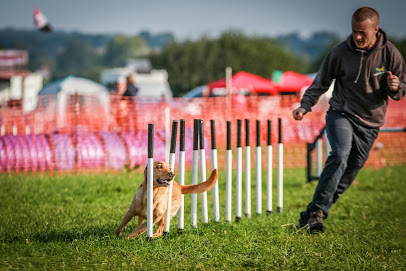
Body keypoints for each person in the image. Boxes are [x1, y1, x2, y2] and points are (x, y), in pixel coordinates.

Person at [292, 7, 405, 233]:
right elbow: (321, 82)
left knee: (348, 173)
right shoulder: (340, 53)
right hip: (341, 113)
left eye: (363, 32)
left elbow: (400, 88)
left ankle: (313, 213)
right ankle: (317, 213)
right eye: (354, 31)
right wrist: (305, 105)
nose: (358, 37)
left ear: (376, 29)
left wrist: (396, 87)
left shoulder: (391, 54)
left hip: (371, 124)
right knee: (340, 155)